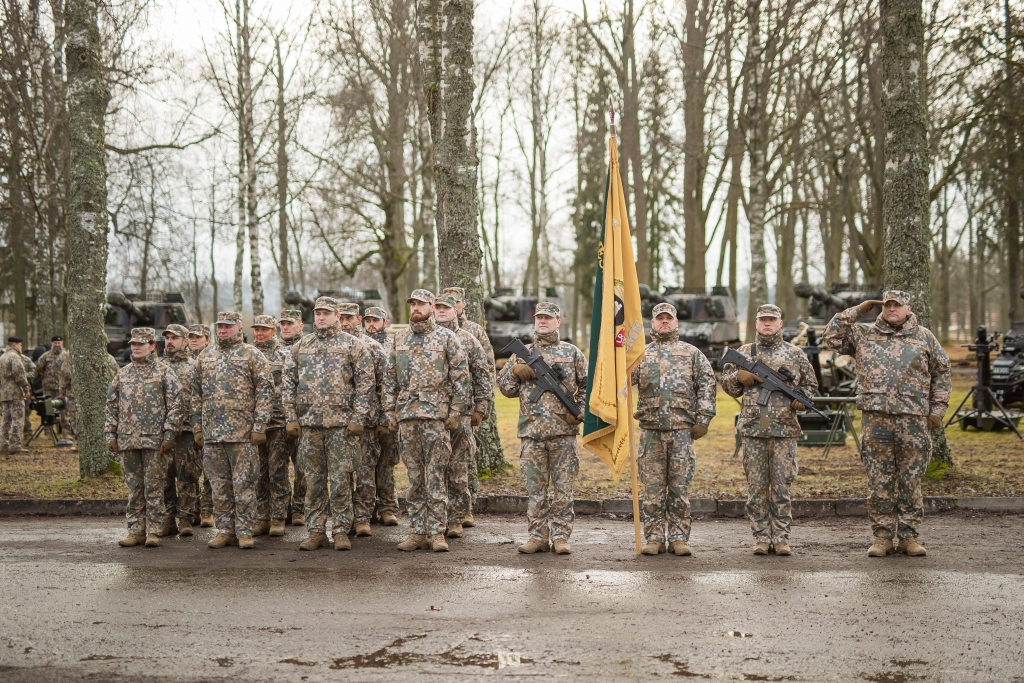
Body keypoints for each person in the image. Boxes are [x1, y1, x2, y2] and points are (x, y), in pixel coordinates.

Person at [823, 290, 951, 557]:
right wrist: (858, 310)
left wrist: (937, 411)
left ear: (908, 308)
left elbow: (942, 372)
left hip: (913, 421)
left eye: (897, 305)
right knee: (879, 480)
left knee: (911, 480)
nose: (891, 309)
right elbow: (831, 336)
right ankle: (881, 537)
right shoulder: (864, 334)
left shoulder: (924, 337)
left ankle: (908, 537)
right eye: (887, 305)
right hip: (876, 420)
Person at [720, 304, 818, 556]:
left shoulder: (795, 354)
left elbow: (810, 385)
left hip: (785, 432)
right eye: (763, 319)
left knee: (782, 487)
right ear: (755, 323)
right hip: (753, 431)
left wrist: (802, 400)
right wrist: (737, 377)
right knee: (757, 488)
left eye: (772, 320)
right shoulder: (745, 352)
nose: (767, 324)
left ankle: (782, 538)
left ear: (780, 323)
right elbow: (729, 387)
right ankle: (762, 537)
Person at [282, 297, 373, 551]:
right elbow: (288, 384)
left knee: (342, 480)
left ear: (337, 315)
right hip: (310, 426)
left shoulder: (352, 345)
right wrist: (291, 418)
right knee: (313, 481)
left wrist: (358, 418)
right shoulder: (302, 346)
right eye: (318, 313)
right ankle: (316, 531)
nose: (321, 317)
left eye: (326, 313)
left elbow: (366, 385)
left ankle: (342, 530)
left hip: (341, 427)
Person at [383, 289, 471, 553]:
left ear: (432, 306)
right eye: (412, 303)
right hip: (408, 418)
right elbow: (389, 379)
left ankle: (436, 532)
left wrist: (455, 413)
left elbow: (461, 378)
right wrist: (390, 413)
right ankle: (417, 532)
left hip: (436, 419)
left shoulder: (447, 338)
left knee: (436, 475)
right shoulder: (399, 338)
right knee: (414, 478)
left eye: (421, 303)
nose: (416, 308)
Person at [496, 302, 587, 555]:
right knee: (536, 491)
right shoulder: (522, 353)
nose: (543, 321)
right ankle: (537, 536)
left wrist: (578, 412)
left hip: (563, 435)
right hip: (531, 434)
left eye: (548, 317)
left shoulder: (572, 353)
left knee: (563, 491)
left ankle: (560, 537)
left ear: (559, 322)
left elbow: (588, 386)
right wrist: (514, 371)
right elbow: (506, 389)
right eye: (539, 317)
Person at [631, 302, 717, 556]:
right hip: (651, 431)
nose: (665, 322)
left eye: (669, 318)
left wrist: (704, 419)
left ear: (676, 322)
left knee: (679, 488)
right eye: (660, 319)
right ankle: (654, 538)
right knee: (653, 489)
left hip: (682, 431)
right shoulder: (640, 354)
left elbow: (707, 385)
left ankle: (679, 537)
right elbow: (623, 382)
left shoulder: (692, 353)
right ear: (653, 323)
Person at [189, 311, 274, 550]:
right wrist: (197, 428)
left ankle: (245, 531)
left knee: (244, 484)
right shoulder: (205, 356)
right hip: (213, 434)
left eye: (228, 326)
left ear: (238, 327)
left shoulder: (252, 354)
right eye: (220, 326)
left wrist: (259, 426)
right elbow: (195, 394)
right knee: (218, 485)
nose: (223, 330)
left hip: (243, 434)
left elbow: (265, 392)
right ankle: (225, 530)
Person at [105, 328, 183, 548]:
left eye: (141, 343)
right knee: (134, 488)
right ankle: (135, 530)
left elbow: (176, 405)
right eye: (133, 344)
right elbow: (112, 405)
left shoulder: (164, 372)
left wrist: (170, 433)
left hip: (155, 441)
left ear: (153, 346)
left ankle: (154, 531)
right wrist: (111, 434)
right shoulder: (123, 373)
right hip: (128, 440)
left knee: (154, 487)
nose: (136, 347)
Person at [433, 293, 493, 537]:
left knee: (458, 468)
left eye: (446, 307)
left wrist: (481, 408)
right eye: (437, 307)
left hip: (462, 413)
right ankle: (434, 520)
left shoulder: (468, 339)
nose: (441, 311)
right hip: (432, 414)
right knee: (434, 468)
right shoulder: (424, 338)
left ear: (456, 310)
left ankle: (457, 518)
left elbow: (483, 374)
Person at [338, 303, 386, 538]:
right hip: (336, 422)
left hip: (366, 422)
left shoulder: (373, 347)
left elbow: (384, 387)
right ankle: (344, 518)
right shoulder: (330, 347)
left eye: (349, 318)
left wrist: (384, 419)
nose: (345, 323)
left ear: (358, 320)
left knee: (365, 472)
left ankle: (363, 518)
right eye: (341, 318)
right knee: (341, 474)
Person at [251, 314, 290, 537]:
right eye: (257, 329)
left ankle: (278, 517)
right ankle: (262, 517)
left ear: (273, 331)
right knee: (258, 472)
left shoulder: (284, 354)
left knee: (277, 471)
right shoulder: (248, 354)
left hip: (277, 422)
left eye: (264, 329)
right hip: (255, 423)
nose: (260, 333)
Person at [161, 324, 201, 537]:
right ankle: (168, 518)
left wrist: (199, 428)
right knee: (164, 475)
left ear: (185, 341)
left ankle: (186, 517)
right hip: (163, 431)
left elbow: (200, 398)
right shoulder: (158, 366)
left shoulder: (195, 366)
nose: (169, 341)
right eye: (167, 338)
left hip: (186, 430)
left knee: (187, 475)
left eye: (174, 338)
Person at [362, 306, 398, 526]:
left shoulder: (394, 345)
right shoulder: (360, 345)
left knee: (386, 463)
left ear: (385, 322)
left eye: (375, 320)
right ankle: (367, 509)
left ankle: (387, 507)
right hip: (366, 415)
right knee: (365, 465)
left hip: (387, 413)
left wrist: (389, 415)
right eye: (367, 321)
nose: (371, 324)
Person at [278, 310, 307, 526]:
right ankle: (280, 509)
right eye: (283, 324)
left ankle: (299, 508)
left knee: (302, 467)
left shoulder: (308, 347)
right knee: (277, 468)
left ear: (301, 325)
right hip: (277, 419)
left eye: (290, 324)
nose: (285, 328)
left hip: (304, 417)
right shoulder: (271, 350)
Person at [57, 346, 119, 437]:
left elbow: (65, 374)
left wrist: (62, 390)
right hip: (99, 395)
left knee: (78, 419)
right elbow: (116, 372)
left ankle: (80, 443)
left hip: (77, 395)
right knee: (99, 419)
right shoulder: (105, 356)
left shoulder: (72, 356)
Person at [187, 323, 215, 528]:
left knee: (210, 468)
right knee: (189, 469)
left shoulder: (213, 359)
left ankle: (207, 509)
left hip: (212, 421)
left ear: (207, 339)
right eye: (190, 337)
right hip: (187, 423)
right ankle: (192, 509)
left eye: (198, 337)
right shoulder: (183, 362)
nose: (193, 340)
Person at [0, 336, 32, 455]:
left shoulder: (2, 357)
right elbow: (19, 375)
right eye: (20, 345)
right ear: (15, 344)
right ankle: (15, 444)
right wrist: (25, 388)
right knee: (18, 419)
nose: (21, 347)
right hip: (15, 393)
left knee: (5, 419)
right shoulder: (15, 357)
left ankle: (3, 444)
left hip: (4, 394)